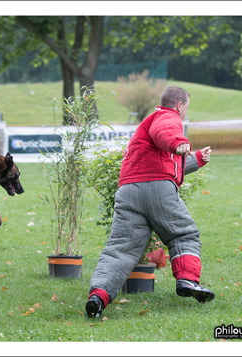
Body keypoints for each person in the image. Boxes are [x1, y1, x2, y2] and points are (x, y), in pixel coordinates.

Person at [86, 86, 214, 318]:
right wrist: (178, 141)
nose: (185, 113)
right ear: (179, 106)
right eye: (186, 108)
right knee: (183, 235)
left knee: (121, 249)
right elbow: (167, 132)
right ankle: (188, 281)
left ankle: (98, 296)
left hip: (127, 191)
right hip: (156, 188)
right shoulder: (167, 117)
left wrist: (197, 159)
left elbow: (166, 163)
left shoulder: (146, 127)